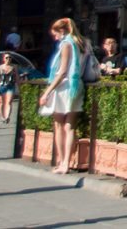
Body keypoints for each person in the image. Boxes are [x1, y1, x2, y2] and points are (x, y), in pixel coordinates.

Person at [38, 18, 87, 174]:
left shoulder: (66, 44)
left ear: (62, 31)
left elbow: (62, 70)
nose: (55, 38)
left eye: (55, 35)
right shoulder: (79, 43)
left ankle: (63, 162)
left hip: (64, 86)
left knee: (59, 125)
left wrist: (47, 92)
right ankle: (66, 162)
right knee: (70, 126)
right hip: (76, 84)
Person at [0, 52, 18, 124]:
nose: (8, 59)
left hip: (10, 86)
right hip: (1, 87)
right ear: (4, 59)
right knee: (2, 103)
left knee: (9, 102)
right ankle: (2, 117)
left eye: (10, 57)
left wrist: (19, 87)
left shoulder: (14, 67)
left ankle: (7, 117)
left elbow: (17, 78)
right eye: (7, 57)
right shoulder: (0, 67)